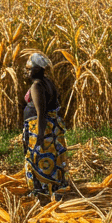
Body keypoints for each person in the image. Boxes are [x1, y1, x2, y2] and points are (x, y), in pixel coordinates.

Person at [22, 53, 68, 197]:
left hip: (40, 128)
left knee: (37, 157)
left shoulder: (37, 86)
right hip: (50, 126)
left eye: (30, 69)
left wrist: (40, 136)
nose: (28, 72)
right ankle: (53, 186)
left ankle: (40, 190)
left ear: (38, 69)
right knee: (51, 157)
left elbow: (41, 112)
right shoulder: (48, 82)